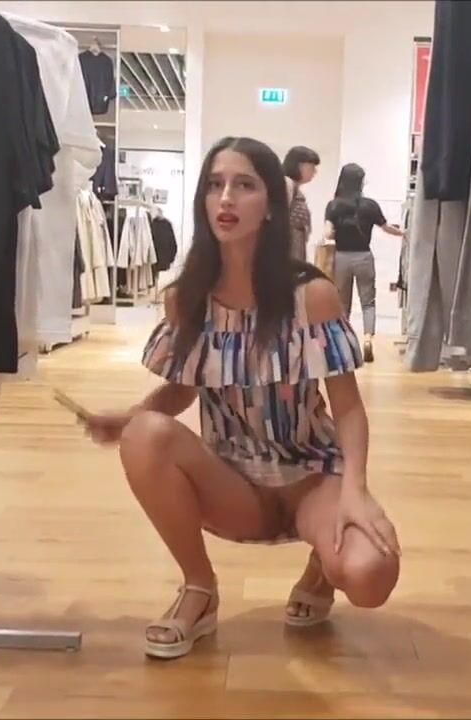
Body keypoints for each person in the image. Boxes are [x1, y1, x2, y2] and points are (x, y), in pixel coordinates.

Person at [86, 137, 401, 660]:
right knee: (144, 434)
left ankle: (322, 567)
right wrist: (130, 418)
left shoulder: (312, 296)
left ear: (272, 205)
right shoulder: (187, 299)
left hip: (311, 477)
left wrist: (356, 490)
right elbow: (186, 384)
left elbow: (348, 408)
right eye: (215, 185)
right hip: (234, 481)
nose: (226, 198)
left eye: (244, 185)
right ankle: (199, 589)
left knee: (371, 577)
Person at [324, 163, 403, 363]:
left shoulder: (334, 205)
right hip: (364, 257)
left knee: (342, 303)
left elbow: (328, 233)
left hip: (342, 258)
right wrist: (403, 233)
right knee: (368, 302)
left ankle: (345, 343)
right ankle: (367, 339)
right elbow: (386, 228)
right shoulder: (370, 205)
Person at [282, 146, 320, 262]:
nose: (314, 172)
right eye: (311, 167)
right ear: (299, 165)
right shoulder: (287, 184)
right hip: (287, 245)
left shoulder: (293, 187)